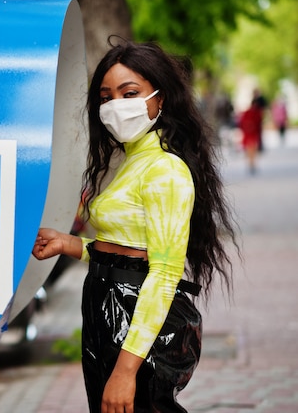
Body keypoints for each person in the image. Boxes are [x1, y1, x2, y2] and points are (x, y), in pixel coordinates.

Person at [32, 40, 239, 413]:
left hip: (135, 317)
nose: (115, 106)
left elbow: (162, 272)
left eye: (129, 93)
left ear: (160, 100)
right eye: (106, 97)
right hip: (109, 308)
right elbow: (127, 249)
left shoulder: (164, 169)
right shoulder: (133, 161)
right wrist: (69, 244)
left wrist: (126, 370)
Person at [238, 99, 264, 174]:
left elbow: (259, 124)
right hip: (248, 134)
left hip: (254, 134)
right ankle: (251, 164)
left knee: (253, 150)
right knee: (249, 150)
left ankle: (252, 164)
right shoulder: (247, 113)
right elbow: (242, 123)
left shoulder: (257, 113)